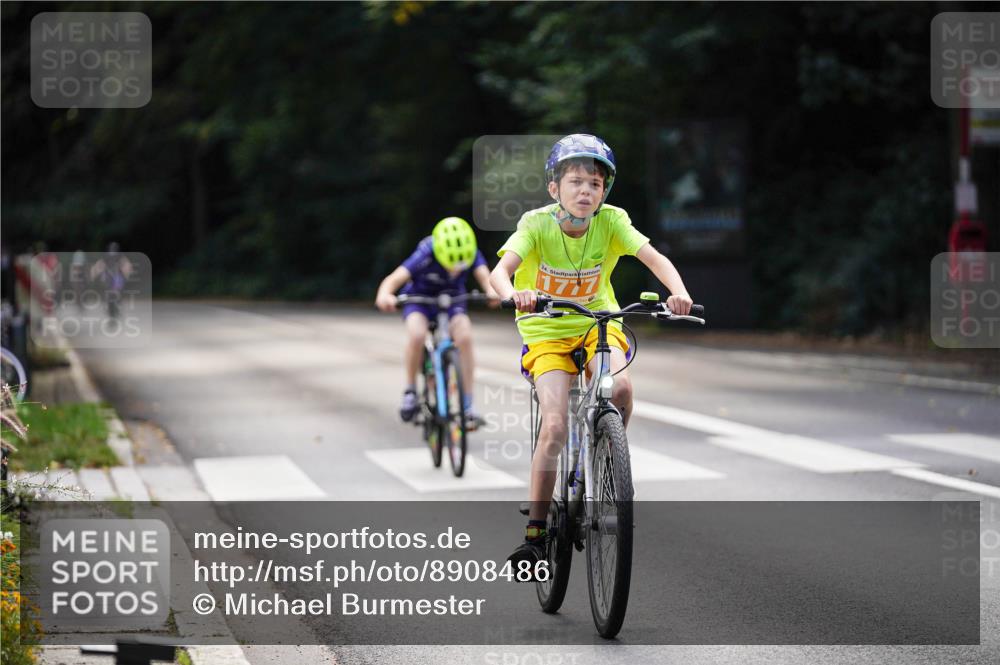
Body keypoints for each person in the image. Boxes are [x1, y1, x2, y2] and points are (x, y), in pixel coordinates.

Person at [489, 133, 694, 568]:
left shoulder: (613, 221)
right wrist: (514, 293)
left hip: (597, 324)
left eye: (596, 184)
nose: (586, 191)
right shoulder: (535, 223)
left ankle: (604, 452)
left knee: (619, 389)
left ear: (605, 192)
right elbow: (500, 271)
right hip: (545, 331)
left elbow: (654, 259)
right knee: (555, 426)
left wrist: (678, 293)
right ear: (554, 188)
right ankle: (536, 533)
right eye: (577, 182)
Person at [375, 217, 498, 428]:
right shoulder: (426, 251)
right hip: (420, 300)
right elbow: (394, 279)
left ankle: (467, 406)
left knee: (465, 336)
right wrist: (384, 294)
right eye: (451, 265)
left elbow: (488, 281)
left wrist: (493, 293)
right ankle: (411, 391)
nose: (455, 271)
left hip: (452, 301)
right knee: (417, 334)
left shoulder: (470, 250)